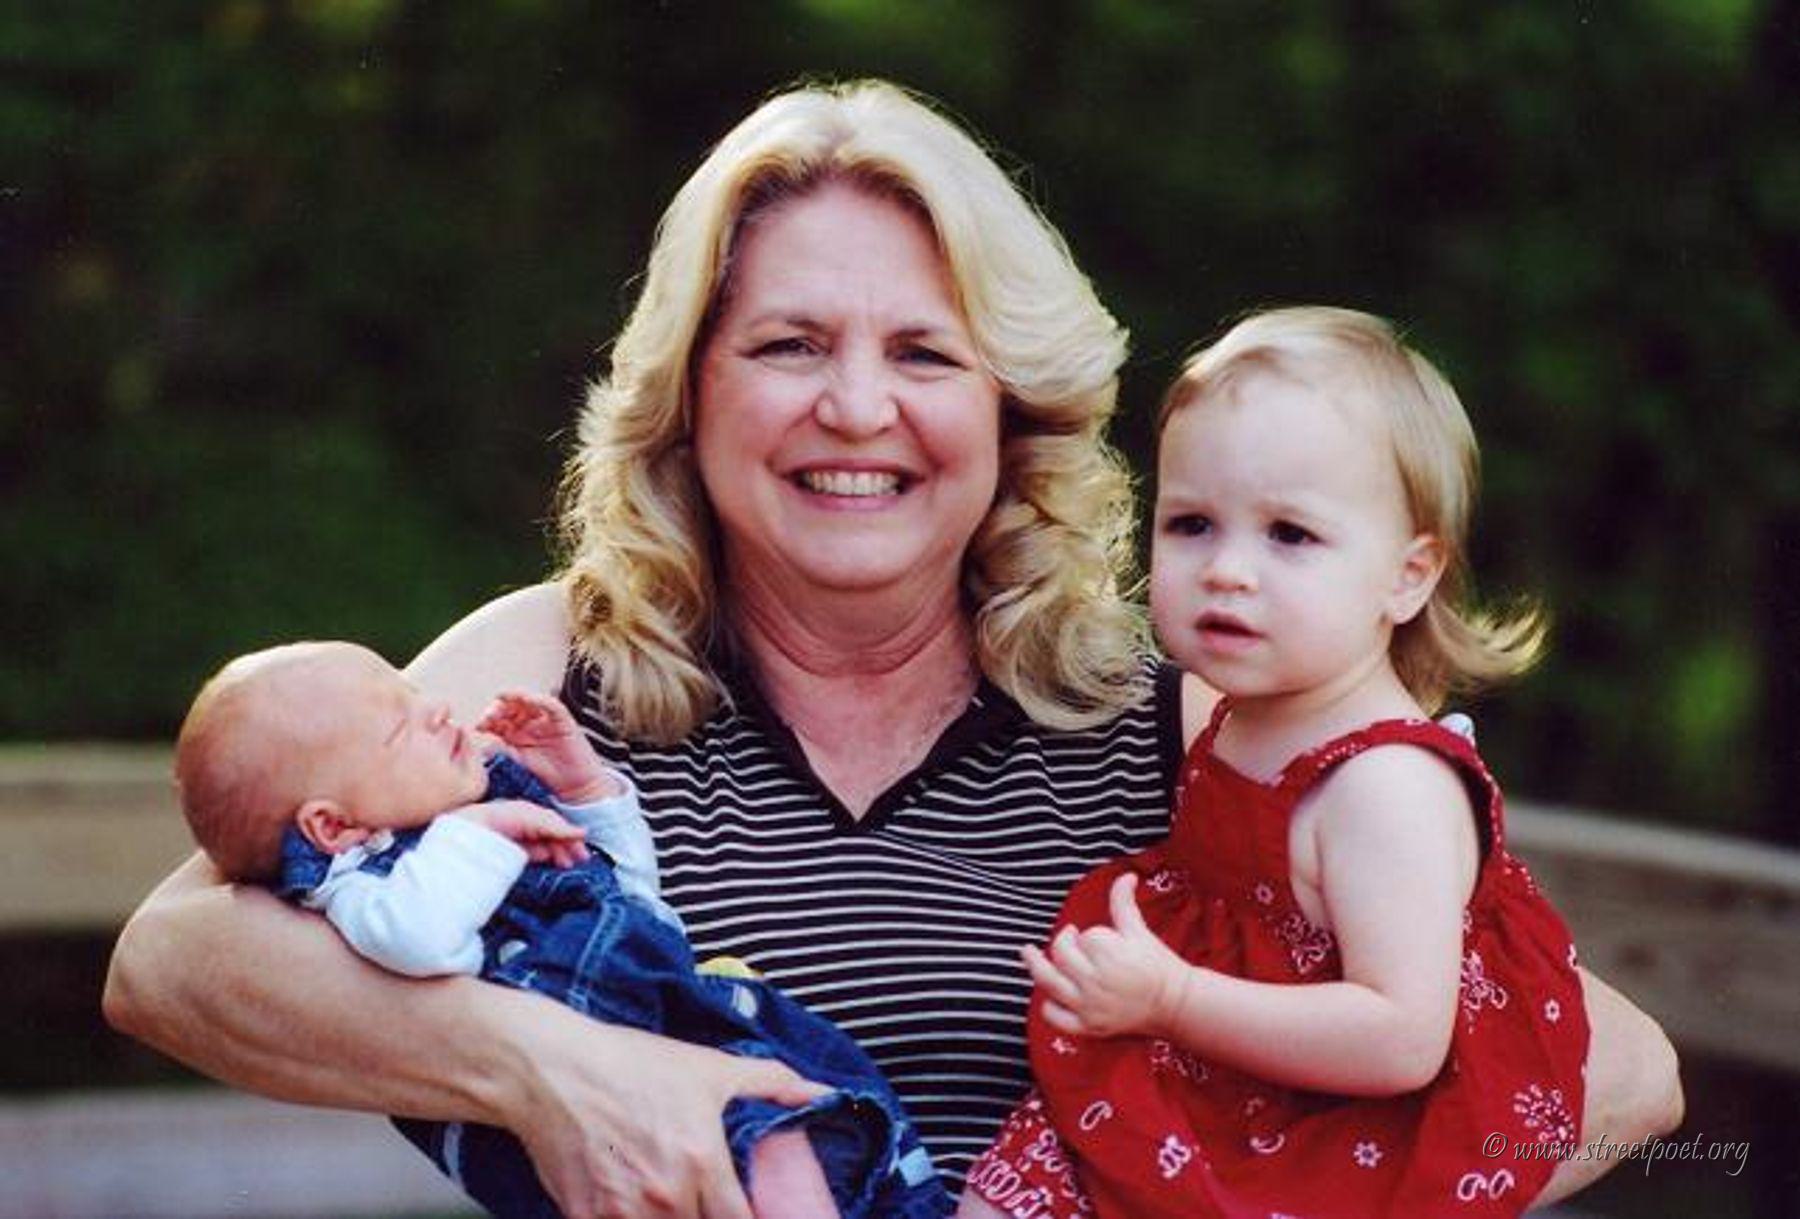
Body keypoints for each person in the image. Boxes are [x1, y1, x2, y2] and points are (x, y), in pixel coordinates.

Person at [104, 80, 1682, 1219]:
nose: (857, 408)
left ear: (1010, 406)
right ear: (691, 392)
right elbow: (172, 956)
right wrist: (548, 1070)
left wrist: (1231, 1180)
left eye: (925, 352)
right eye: (789, 344)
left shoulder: (1193, 713)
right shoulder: (552, 669)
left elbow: (1614, 1066)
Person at [959, 307, 1588, 1219]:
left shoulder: (1385, 786)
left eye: (1289, 534)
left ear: (1408, 576)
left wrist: (1174, 996)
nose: (1228, 569)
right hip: (1211, 1078)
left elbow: (1402, 1036)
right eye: (1192, 524)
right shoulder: (1243, 716)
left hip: (1319, 1126)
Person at [172, 640, 947, 1218]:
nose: (436, 710)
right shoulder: (364, 884)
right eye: (397, 726)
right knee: (775, 1150)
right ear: (332, 825)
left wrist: (585, 794)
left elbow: (634, 915)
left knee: (842, 1139)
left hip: (690, 1043)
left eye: (416, 694)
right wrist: (481, 832)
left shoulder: (463, 824)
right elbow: (418, 941)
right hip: (627, 1132)